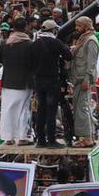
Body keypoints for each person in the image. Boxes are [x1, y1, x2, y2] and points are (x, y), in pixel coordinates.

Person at [31, 20, 73, 148]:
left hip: (38, 81)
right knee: (51, 111)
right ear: (53, 30)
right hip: (52, 81)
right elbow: (68, 56)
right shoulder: (55, 42)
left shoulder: (35, 43)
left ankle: (40, 140)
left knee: (41, 110)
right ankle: (51, 140)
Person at [0, 19, 35, 145]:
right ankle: (22, 137)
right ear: (25, 28)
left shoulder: (5, 43)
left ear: (13, 28)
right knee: (23, 110)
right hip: (24, 82)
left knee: (7, 110)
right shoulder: (30, 44)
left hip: (8, 81)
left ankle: (8, 137)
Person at [70, 16, 99, 148]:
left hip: (84, 80)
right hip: (78, 79)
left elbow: (91, 64)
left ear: (86, 27)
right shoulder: (83, 40)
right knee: (79, 108)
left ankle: (87, 138)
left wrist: (87, 80)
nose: (77, 29)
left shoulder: (91, 41)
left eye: (79, 26)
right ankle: (86, 136)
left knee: (83, 108)